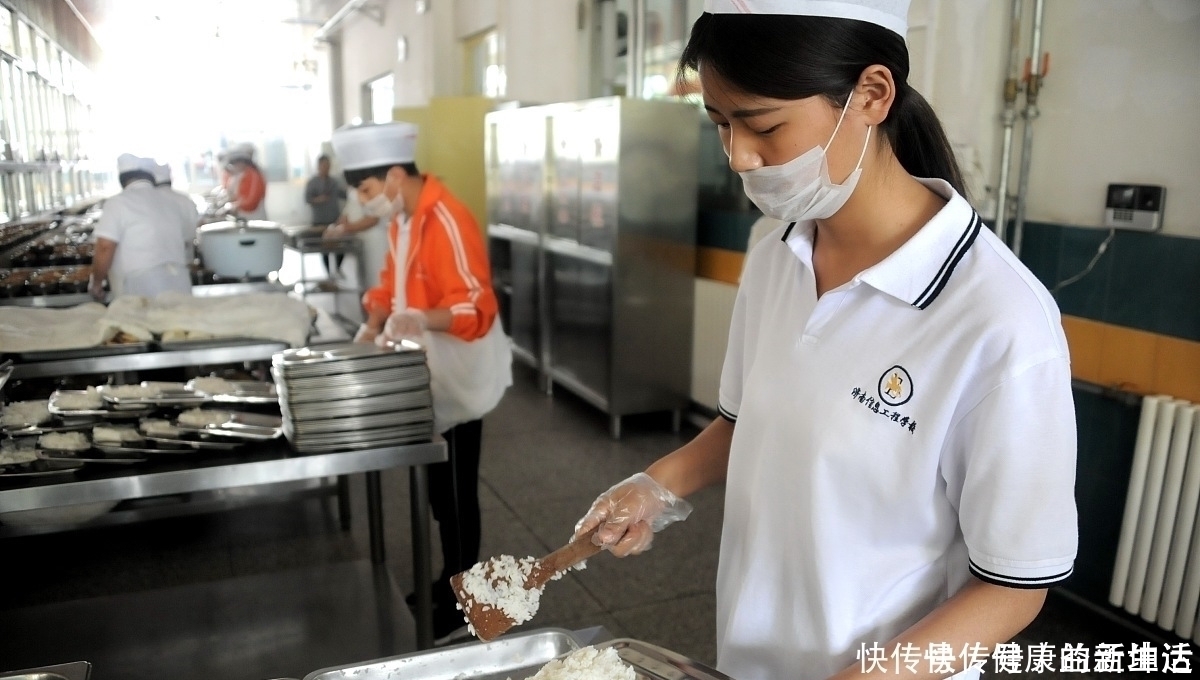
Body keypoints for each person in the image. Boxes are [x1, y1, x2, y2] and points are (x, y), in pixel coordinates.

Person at [570, 3, 1078, 680]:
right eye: (720, 123)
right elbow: (745, 423)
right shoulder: (775, 249)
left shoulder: (998, 321)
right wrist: (654, 488)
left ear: (872, 94)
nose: (738, 156)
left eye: (762, 125)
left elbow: (1013, 587)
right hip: (750, 656)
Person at [331, 121, 513, 642]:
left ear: (393, 175)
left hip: (461, 372)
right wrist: (370, 325)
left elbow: (476, 306)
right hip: (430, 369)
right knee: (438, 487)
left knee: (456, 490)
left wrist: (419, 320)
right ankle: (448, 581)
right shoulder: (403, 219)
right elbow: (392, 281)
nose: (366, 202)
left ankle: (465, 599)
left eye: (367, 190)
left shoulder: (446, 217)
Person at [90, 154, 195, 299]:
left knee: (143, 322)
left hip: (142, 286)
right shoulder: (172, 201)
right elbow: (187, 239)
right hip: (179, 281)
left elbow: (105, 246)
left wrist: (96, 283)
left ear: (122, 179)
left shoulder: (118, 203)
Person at [322, 189, 383, 284]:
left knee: (375, 279)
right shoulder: (353, 192)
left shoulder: (371, 189)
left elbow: (373, 219)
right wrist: (336, 228)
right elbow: (348, 210)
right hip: (359, 241)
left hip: (374, 240)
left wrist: (346, 228)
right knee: (363, 280)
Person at [152, 161, 201, 263]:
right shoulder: (185, 199)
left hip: (161, 258)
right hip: (187, 255)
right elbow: (197, 223)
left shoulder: (151, 201)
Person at [226, 143, 267, 220]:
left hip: (253, 217)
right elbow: (232, 194)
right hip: (243, 217)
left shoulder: (253, 175)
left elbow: (251, 202)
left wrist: (236, 206)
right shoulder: (237, 175)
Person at [305, 154, 347, 227]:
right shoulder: (312, 182)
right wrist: (318, 199)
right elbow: (307, 199)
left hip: (334, 220)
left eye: (328, 165)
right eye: (324, 165)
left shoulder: (334, 182)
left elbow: (343, 195)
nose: (327, 167)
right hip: (319, 221)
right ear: (319, 166)